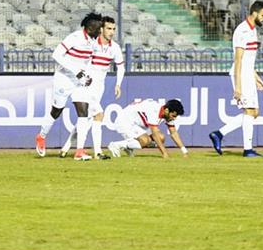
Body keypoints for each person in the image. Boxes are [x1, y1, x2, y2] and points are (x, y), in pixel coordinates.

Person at [35, 13, 102, 160]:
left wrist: (87, 75)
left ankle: (79, 151)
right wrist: (76, 71)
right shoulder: (75, 38)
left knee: (83, 112)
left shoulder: (94, 42)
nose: (100, 31)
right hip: (63, 78)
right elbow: (57, 55)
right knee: (56, 111)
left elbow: (86, 61)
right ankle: (41, 136)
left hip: (79, 80)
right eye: (98, 28)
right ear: (90, 28)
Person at [208, 1, 263, 157]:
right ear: (254, 13)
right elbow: (239, 60)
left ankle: (219, 134)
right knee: (249, 111)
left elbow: (249, 59)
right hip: (241, 74)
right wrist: (238, 87)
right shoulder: (242, 31)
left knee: (254, 112)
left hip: (248, 74)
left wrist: (255, 76)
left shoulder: (253, 30)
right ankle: (248, 150)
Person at [61, 16, 125, 160]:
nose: (112, 32)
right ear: (101, 29)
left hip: (99, 85)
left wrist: (118, 84)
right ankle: (97, 152)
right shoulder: (92, 43)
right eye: (109, 28)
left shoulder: (114, 47)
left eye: (114, 29)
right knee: (97, 115)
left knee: (86, 118)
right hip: (87, 83)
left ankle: (66, 147)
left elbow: (121, 67)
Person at [107, 99, 187, 159]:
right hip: (124, 121)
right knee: (146, 140)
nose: (174, 118)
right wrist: (164, 153)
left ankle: (129, 147)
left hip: (135, 124)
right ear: (167, 110)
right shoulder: (154, 109)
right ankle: (115, 145)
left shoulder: (167, 113)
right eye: (173, 116)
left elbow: (174, 133)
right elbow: (154, 134)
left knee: (161, 137)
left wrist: (184, 151)